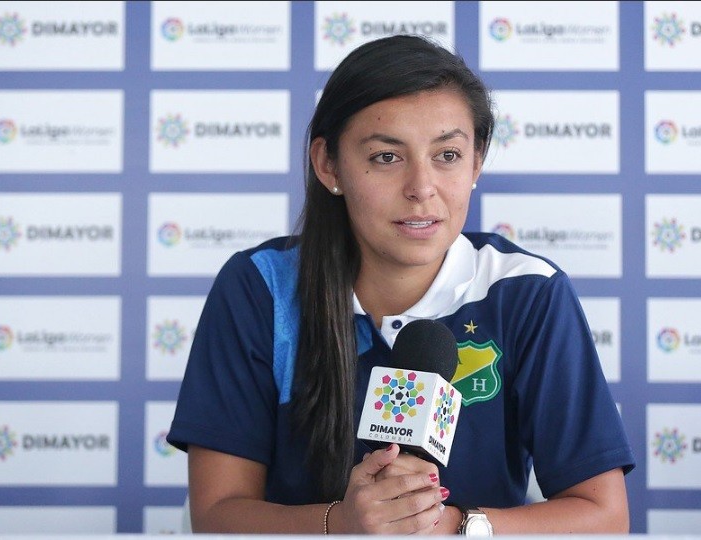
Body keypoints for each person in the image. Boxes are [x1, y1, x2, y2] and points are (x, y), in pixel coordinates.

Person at [166, 34, 635, 535]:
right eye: (387, 157)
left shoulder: (527, 291)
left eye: (448, 155)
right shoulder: (260, 288)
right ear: (329, 165)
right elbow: (217, 514)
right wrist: (341, 524)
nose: (421, 188)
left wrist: (457, 527)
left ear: (476, 162)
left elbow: (604, 517)